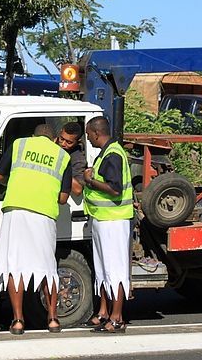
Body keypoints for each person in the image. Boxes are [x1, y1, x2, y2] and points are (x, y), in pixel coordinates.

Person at [0, 124, 72, 335]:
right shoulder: (62, 156)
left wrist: (17, 184)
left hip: (16, 210)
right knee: (47, 267)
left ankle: (18, 320)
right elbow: (63, 198)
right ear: (55, 139)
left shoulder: (19, 145)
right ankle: (53, 319)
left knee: (15, 266)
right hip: (44, 214)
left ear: (33, 135)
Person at [82, 116, 134, 333]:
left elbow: (115, 189)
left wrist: (90, 180)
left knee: (116, 269)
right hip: (103, 218)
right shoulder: (107, 153)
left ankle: (117, 317)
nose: (88, 138)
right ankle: (104, 312)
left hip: (114, 220)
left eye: (88, 135)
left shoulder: (113, 154)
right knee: (104, 270)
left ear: (96, 133)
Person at [56, 122, 86, 196]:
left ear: (77, 142)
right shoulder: (52, 143)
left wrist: (62, 169)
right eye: (61, 139)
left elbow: (77, 189)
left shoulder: (78, 158)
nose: (63, 144)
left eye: (69, 142)